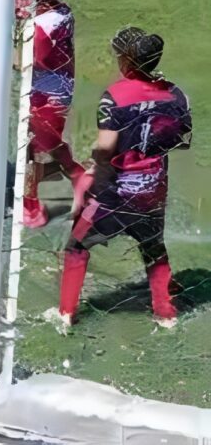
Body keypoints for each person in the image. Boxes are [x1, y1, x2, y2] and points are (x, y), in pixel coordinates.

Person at [57, 28, 192, 329]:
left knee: (77, 244)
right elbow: (182, 140)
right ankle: (165, 312)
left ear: (126, 61)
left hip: (116, 193)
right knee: (153, 245)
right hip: (153, 189)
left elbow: (105, 149)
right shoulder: (177, 94)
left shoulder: (115, 97)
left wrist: (93, 175)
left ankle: (66, 314)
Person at [15, 0, 85, 228]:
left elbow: (34, 60)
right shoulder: (62, 12)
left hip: (46, 95)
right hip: (61, 87)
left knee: (33, 150)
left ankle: (31, 207)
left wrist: (6, 56)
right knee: (43, 145)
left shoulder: (42, 26)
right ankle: (78, 178)